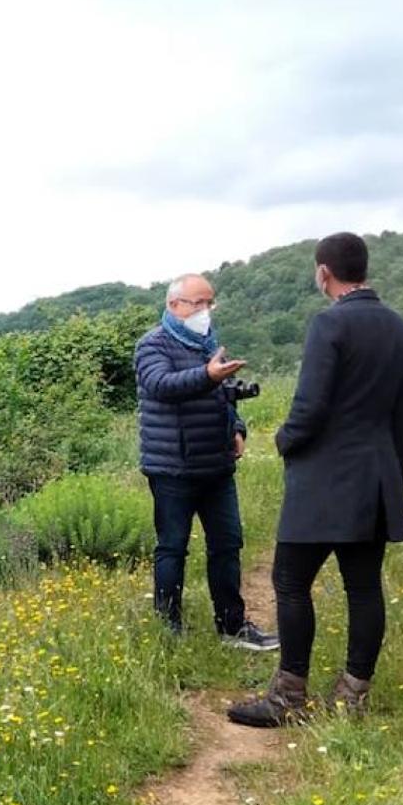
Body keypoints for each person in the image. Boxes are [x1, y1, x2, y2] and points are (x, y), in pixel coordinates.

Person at [230, 233, 403, 727]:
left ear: (324, 272)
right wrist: (394, 478)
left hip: (324, 478)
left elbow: (309, 408)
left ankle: (288, 698)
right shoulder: (401, 330)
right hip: (376, 476)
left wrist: (286, 439)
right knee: (363, 587)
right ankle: (353, 697)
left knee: (290, 582)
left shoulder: (329, 324)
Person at [133, 273, 277, 650]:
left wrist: (238, 428)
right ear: (174, 305)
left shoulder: (208, 344)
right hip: (172, 467)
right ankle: (169, 628)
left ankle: (232, 626)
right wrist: (208, 375)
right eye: (198, 303)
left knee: (228, 544)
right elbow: (162, 385)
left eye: (209, 302)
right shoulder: (152, 345)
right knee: (172, 547)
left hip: (216, 465)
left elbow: (223, 396)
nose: (205, 310)